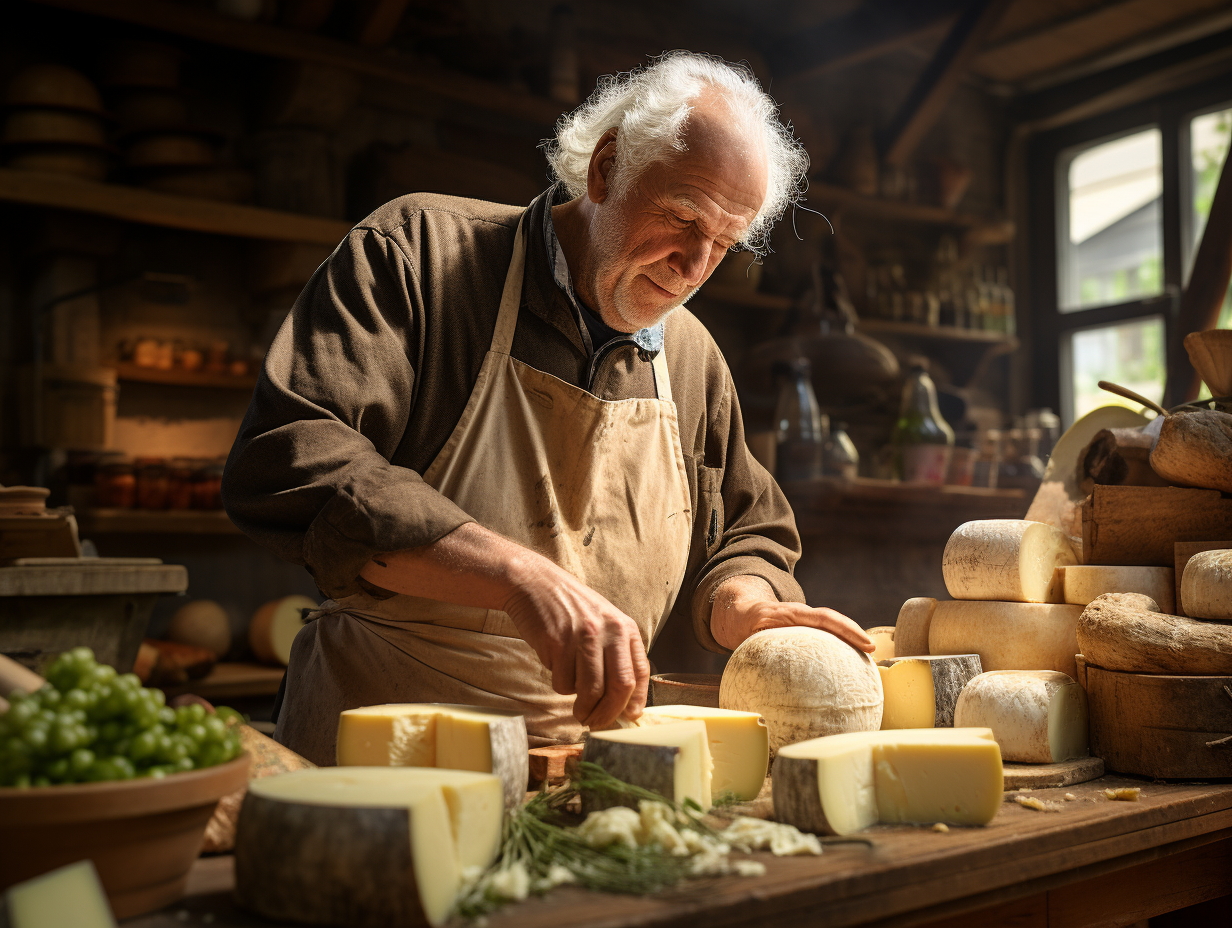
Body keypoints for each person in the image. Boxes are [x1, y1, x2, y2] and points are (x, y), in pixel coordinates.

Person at [223, 51, 873, 765]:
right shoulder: (418, 256)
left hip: (599, 780)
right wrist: (516, 577)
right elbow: (291, 457)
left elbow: (747, 531)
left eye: (723, 243)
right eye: (682, 218)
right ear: (605, 170)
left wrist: (745, 603)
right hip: (381, 762)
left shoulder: (693, 360)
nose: (693, 268)